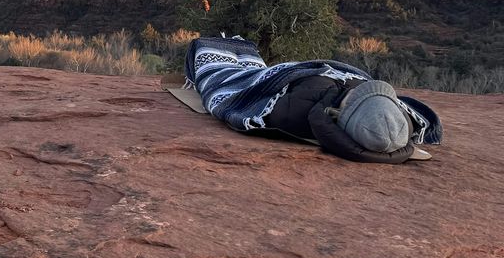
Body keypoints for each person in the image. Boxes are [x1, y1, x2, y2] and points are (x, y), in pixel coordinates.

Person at [186, 36, 441, 163]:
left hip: (282, 80)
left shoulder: (298, 110)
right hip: (309, 76)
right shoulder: (397, 120)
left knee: (207, 54)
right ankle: (234, 46)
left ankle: (224, 46)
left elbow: (252, 95)